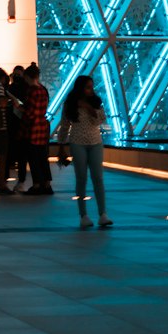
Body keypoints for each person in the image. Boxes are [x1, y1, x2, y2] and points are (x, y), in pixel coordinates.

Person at [56, 74, 111, 227]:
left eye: (91, 87)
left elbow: (100, 120)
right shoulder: (70, 104)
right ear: (80, 88)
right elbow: (65, 124)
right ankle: (83, 215)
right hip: (77, 142)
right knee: (81, 178)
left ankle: (103, 213)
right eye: (87, 87)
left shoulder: (95, 102)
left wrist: (88, 107)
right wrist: (61, 145)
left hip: (95, 142)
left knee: (98, 178)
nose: (90, 90)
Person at [21, 63, 53, 195]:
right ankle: (47, 184)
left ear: (28, 77)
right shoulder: (43, 89)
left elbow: (30, 112)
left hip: (33, 128)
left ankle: (36, 184)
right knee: (43, 157)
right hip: (43, 127)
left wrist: (20, 109)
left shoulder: (31, 91)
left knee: (33, 158)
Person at [8, 64, 29, 189]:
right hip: (14, 122)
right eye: (15, 75)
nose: (16, 77)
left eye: (18, 75)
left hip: (22, 123)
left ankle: (21, 179)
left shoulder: (24, 89)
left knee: (22, 153)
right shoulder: (13, 88)